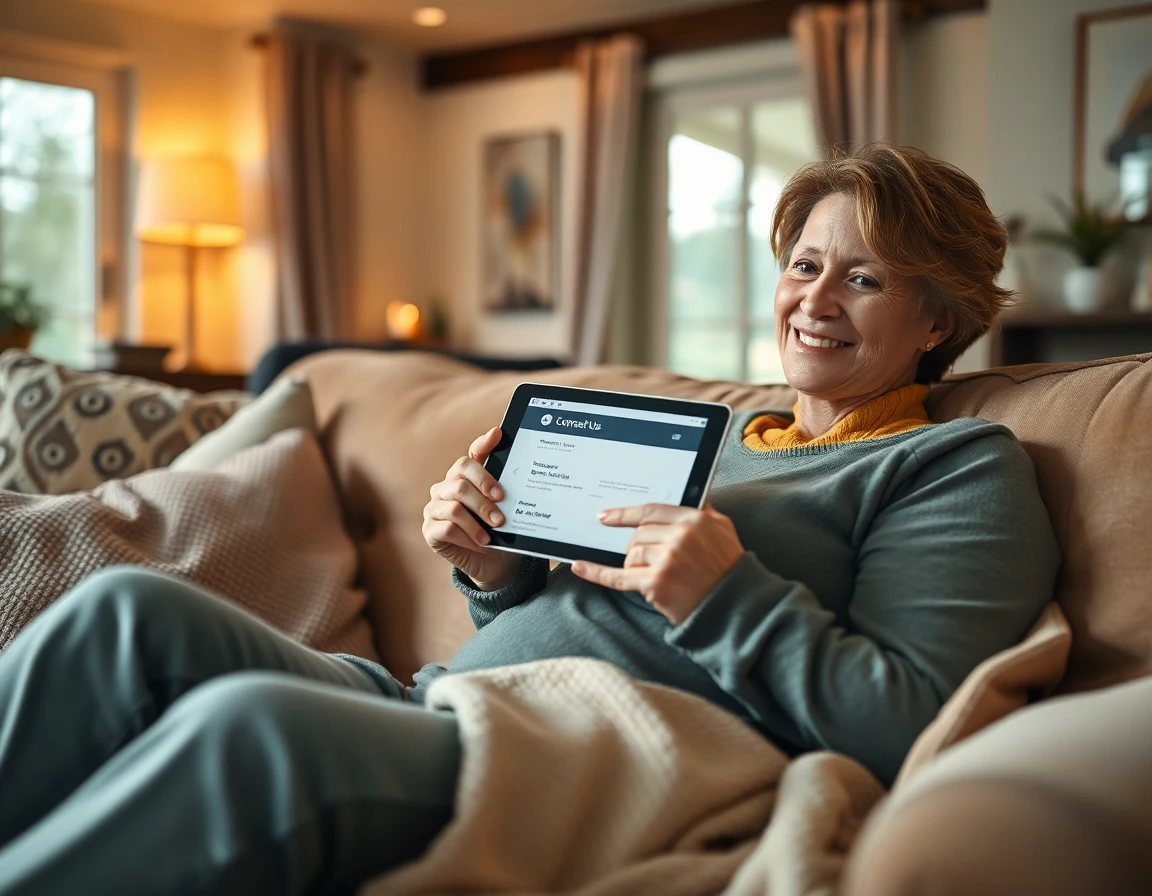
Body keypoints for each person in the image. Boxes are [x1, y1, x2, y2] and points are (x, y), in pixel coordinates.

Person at [0, 144, 1060, 894]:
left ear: (940, 318)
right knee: (126, 609)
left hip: (570, 751)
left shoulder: (955, 465)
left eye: (863, 276)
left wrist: (724, 594)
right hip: (439, 694)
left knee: (249, 733)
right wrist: (492, 564)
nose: (816, 297)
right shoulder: (723, 431)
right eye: (803, 264)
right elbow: (568, 604)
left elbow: (915, 722)